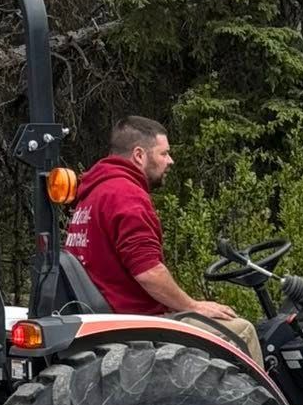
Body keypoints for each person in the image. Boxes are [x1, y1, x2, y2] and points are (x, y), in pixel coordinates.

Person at [62, 116, 263, 365]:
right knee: (241, 331)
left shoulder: (93, 193)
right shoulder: (126, 195)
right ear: (139, 155)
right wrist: (193, 305)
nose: (170, 161)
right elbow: (148, 272)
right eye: (164, 153)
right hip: (134, 320)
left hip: (107, 315)